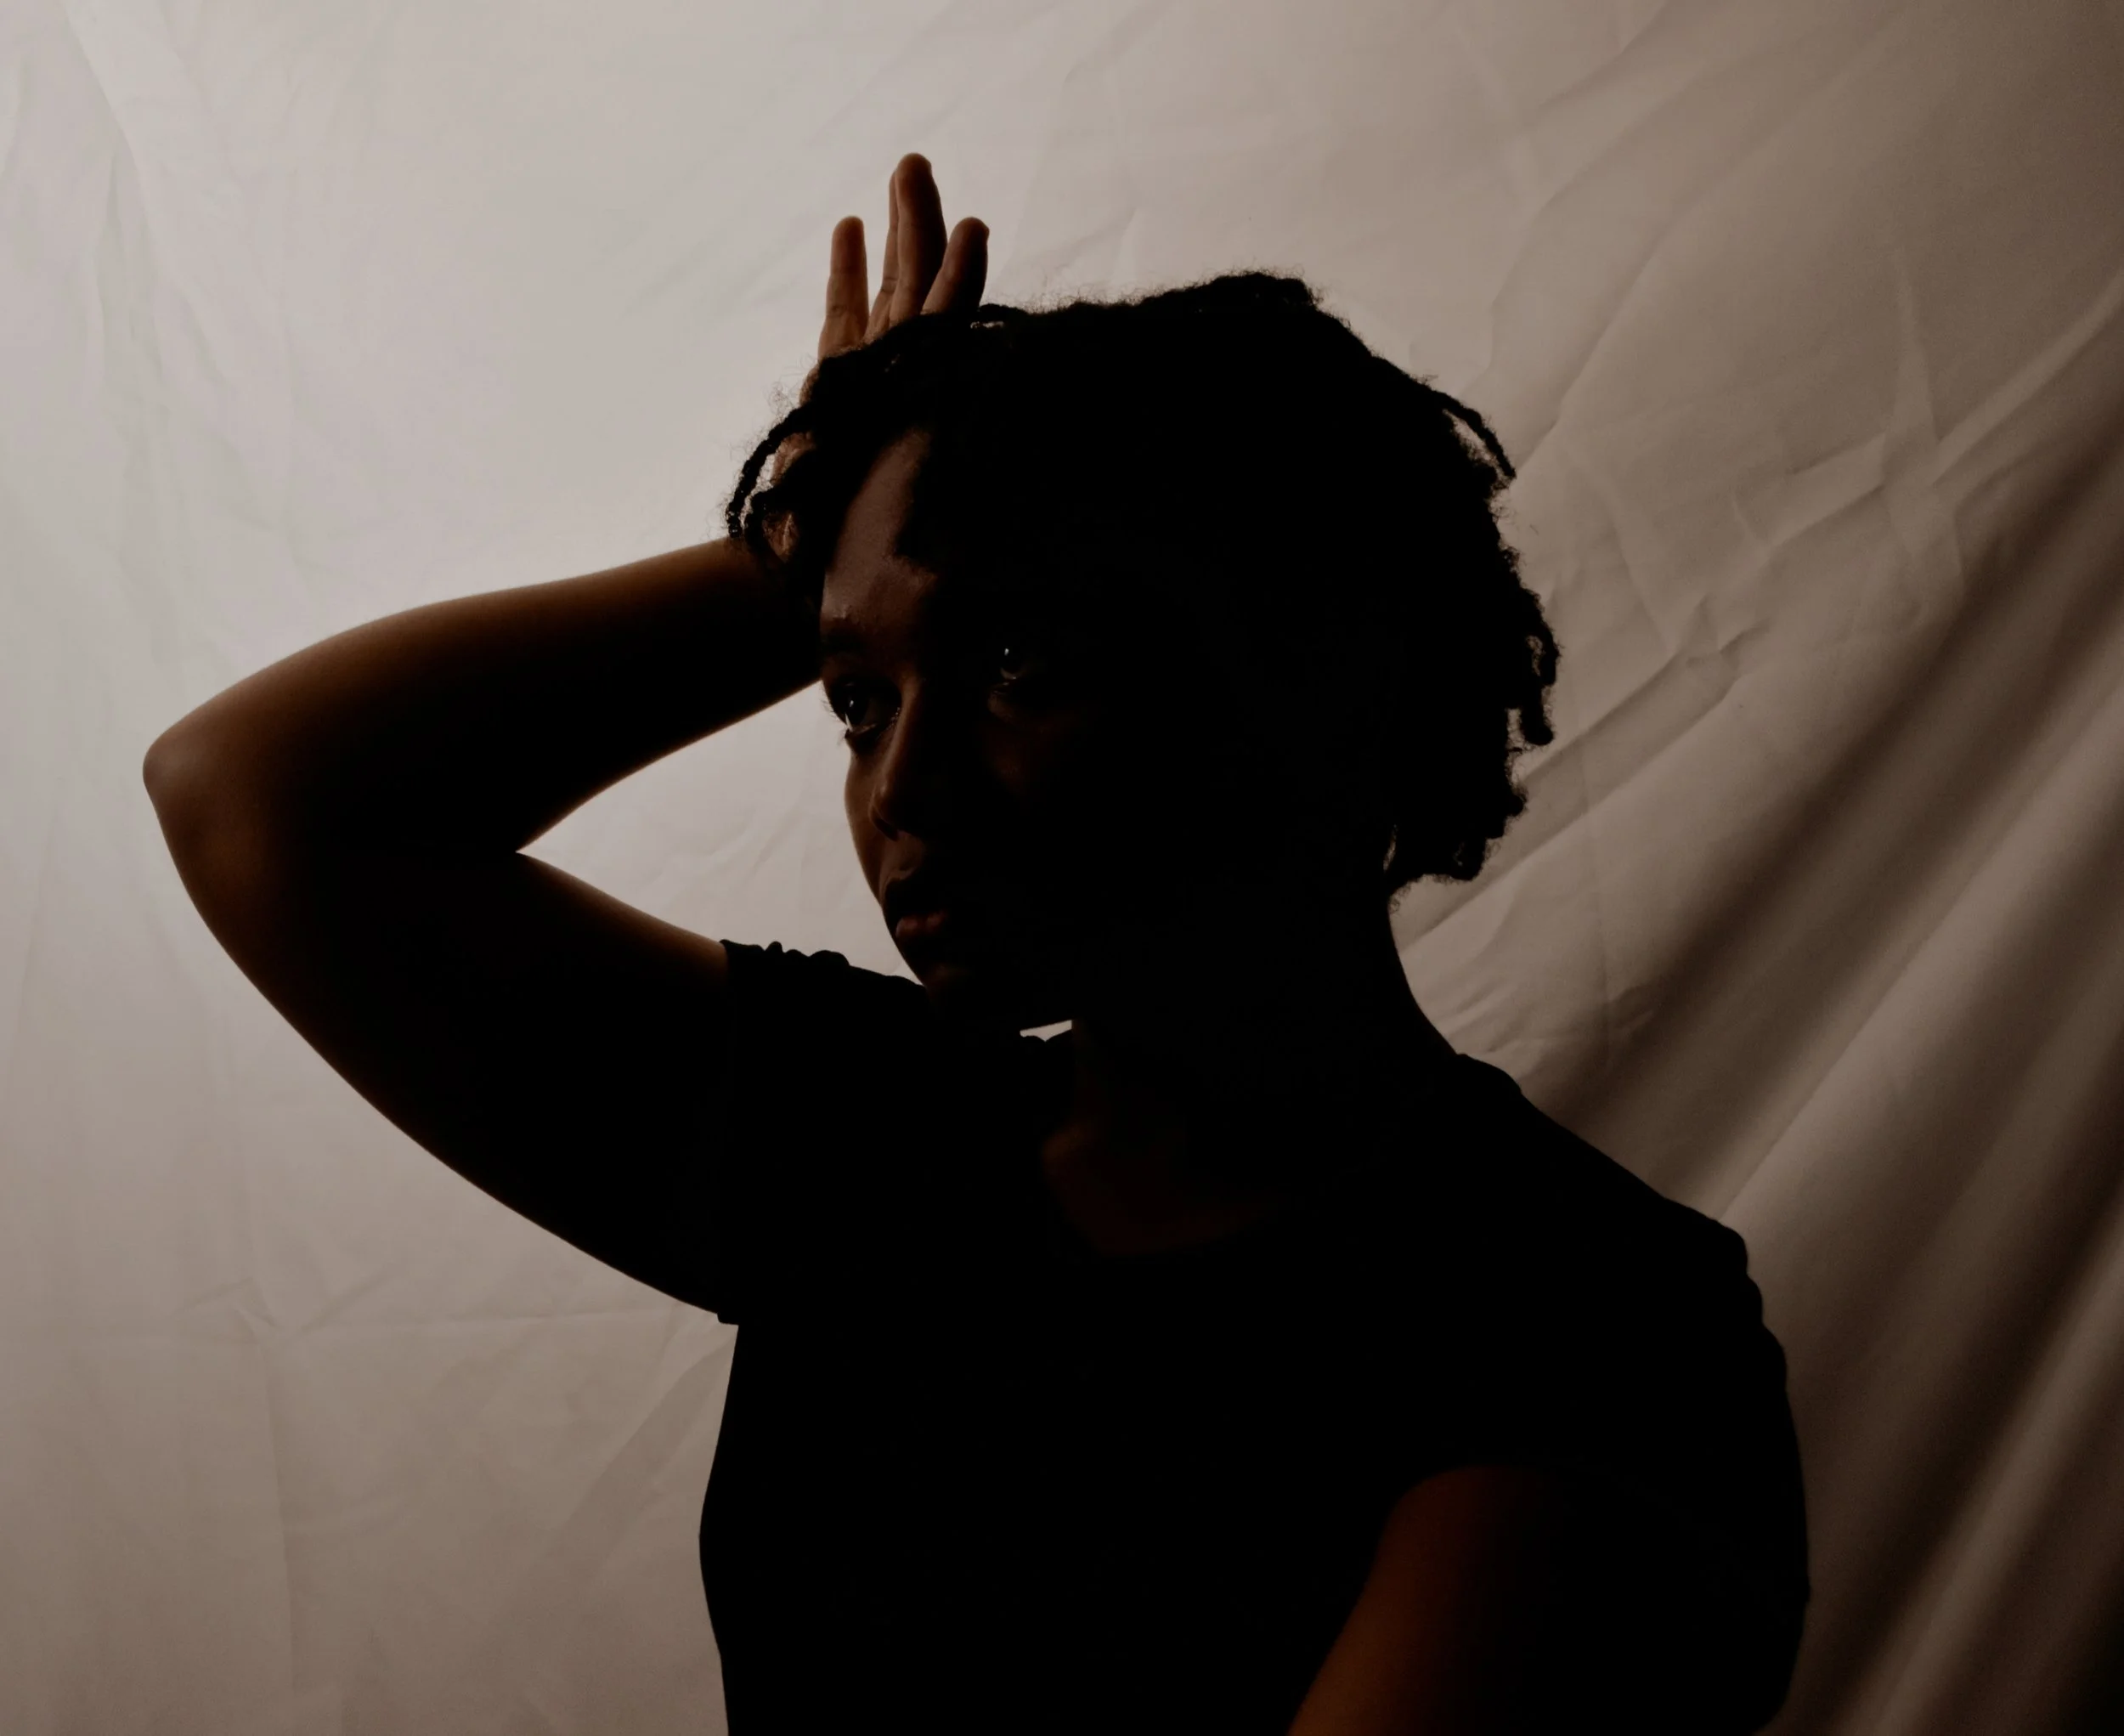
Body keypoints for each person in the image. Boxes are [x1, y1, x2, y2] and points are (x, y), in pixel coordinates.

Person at [144, 154, 1808, 1733]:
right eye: (857, 700)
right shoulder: (870, 1145)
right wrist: (799, 553)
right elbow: (259, 801)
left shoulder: (1589, 1317)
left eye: (1018, 666)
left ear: (1319, 683)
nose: (899, 790)